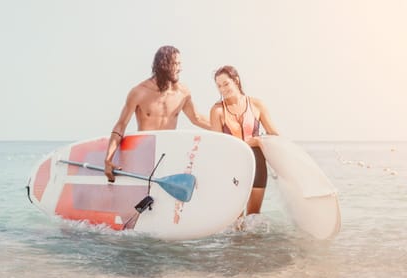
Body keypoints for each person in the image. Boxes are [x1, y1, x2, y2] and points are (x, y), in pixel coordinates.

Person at [104, 45, 211, 182]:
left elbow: (197, 118)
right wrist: (108, 158)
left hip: (169, 154)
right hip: (145, 154)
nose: (180, 68)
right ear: (163, 64)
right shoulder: (139, 92)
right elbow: (121, 124)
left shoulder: (182, 92)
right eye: (176, 64)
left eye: (180, 64)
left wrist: (226, 129)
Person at [210, 65, 279, 214]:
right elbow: (217, 146)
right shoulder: (217, 111)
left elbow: (274, 134)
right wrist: (253, 141)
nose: (223, 89)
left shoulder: (256, 104)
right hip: (233, 166)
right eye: (219, 86)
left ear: (236, 80)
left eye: (226, 84)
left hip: (258, 163)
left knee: (254, 216)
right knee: (236, 217)